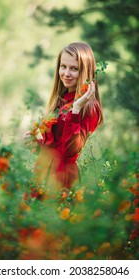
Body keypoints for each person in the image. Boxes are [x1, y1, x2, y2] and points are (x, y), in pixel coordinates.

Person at [25, 42, 104, 192]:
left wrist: (76, 109)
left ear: (85, 72)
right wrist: (35, 142)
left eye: (74, 68)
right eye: (63, 66)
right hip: (43, 173)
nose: (66, 73)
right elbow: (53, 146)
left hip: (62, 180)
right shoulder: (62, 99)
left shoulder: (90, 107)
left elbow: (69, 150)